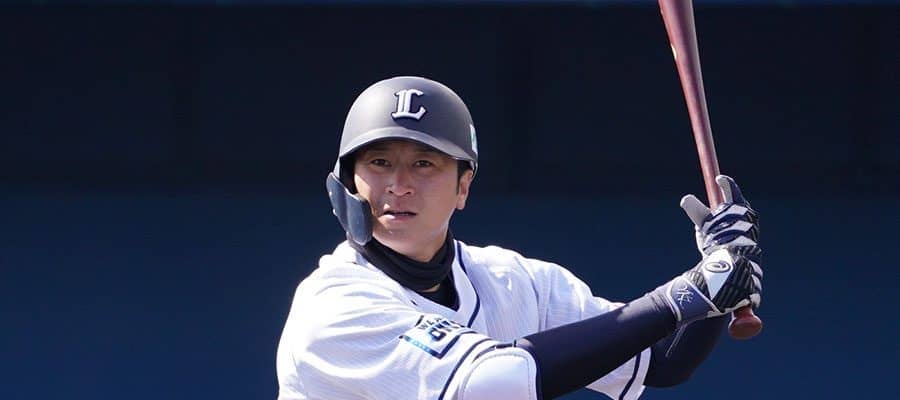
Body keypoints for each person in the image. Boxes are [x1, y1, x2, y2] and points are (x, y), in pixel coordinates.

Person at [276, 76, 762, 400]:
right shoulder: (333, 305)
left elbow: (663, 360)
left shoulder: (514, 281)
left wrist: (722, 275)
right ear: (348, 182)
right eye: (379, 162)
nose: (398, 185)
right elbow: (496, 385)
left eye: (424, 163)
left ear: (463, 186)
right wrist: (682, 297)